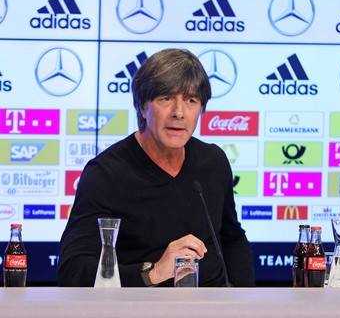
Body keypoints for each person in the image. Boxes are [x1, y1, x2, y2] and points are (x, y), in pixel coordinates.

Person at [58, 48, 255, 287]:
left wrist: (246, 301)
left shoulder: (213, 161)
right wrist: (153, 272)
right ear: (142, 106)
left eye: (191, 100)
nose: (179, 113)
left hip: (210, 305)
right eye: (166, 99)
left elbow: (232, 240)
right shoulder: (105, 173)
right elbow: (73, 270)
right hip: (137, 308)